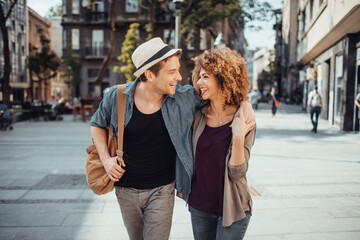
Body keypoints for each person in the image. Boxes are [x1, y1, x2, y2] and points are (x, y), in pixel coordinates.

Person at [90, 37, 256, 240]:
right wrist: (106, 159)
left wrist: (245, 102)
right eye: (172, 72)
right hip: (125, 189)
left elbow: (223, 86)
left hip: (162, 189)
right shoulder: (117, 97)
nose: (179, 77)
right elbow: (97, 124)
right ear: (150, 75)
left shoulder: (182, 97)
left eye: (178, 70)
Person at [187, 48, 256, 240]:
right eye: (198, 76)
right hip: (199, 206)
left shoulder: (243, 117)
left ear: (223, 77)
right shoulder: (197, 115)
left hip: (233, 207)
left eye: (205, 76)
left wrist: (238, 137)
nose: (199, 82)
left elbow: (237, 172)